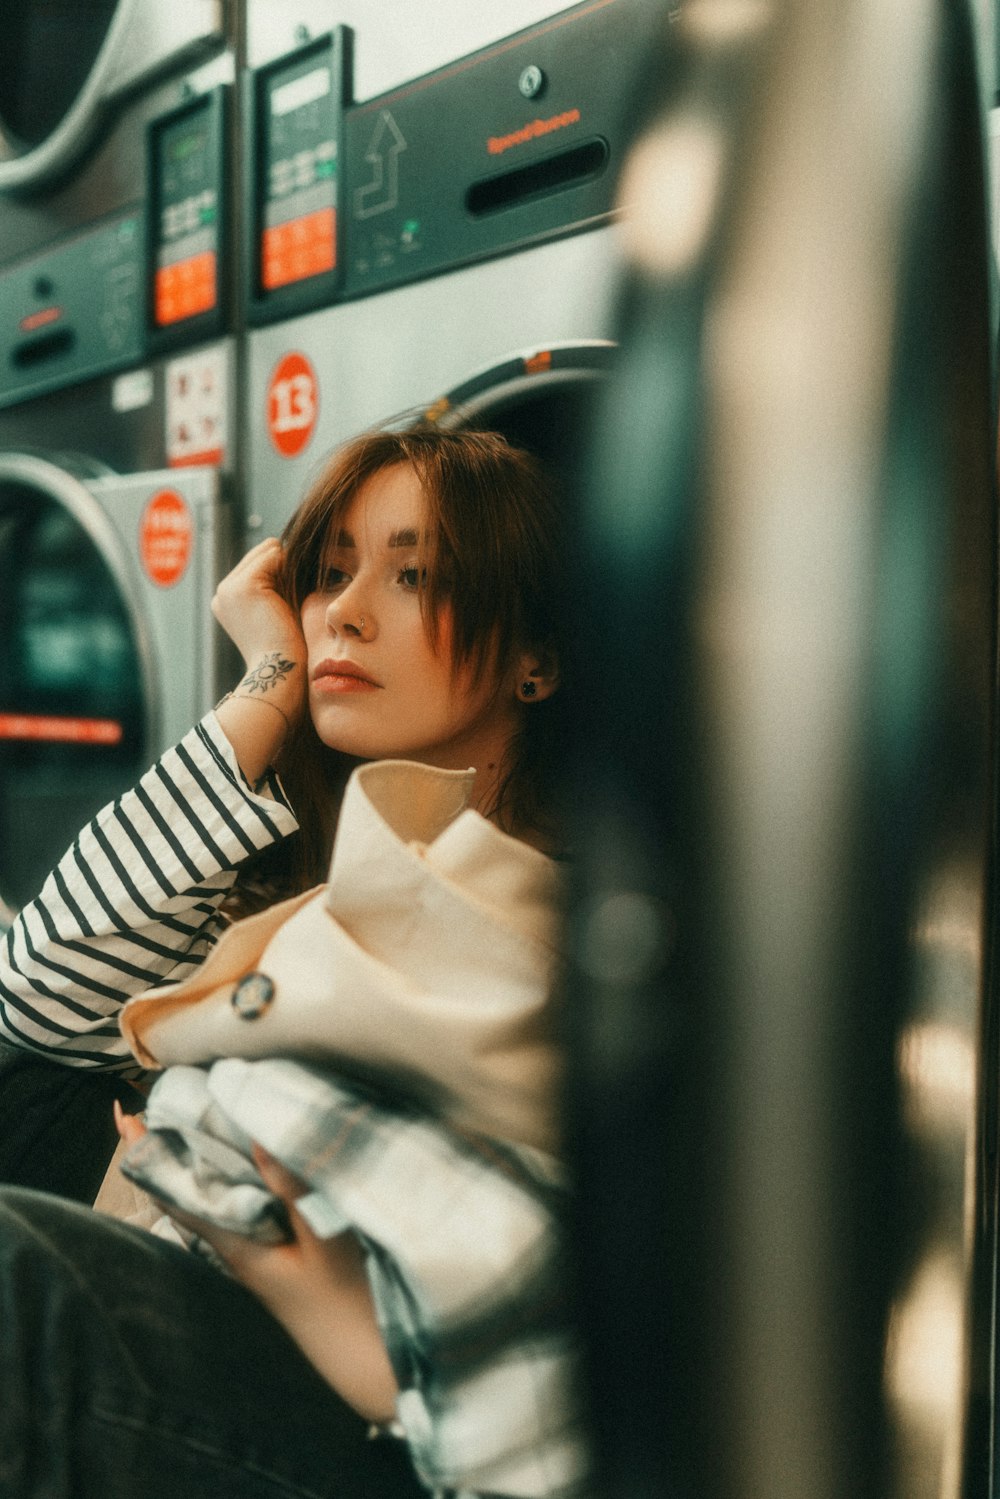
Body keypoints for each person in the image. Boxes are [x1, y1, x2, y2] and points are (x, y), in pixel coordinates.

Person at [0, 426, 586, 1499]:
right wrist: (266, 680)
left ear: (535, 657)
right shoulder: (300, 875)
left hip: (338, 1395)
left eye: (415, 575)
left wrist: (317, 1305)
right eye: (327, 573)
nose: (343, 614)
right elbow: (39, 997)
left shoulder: (560, 925)